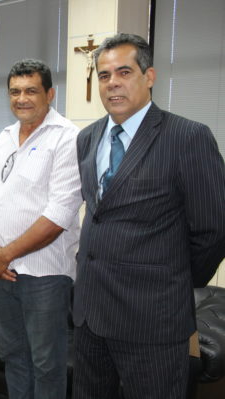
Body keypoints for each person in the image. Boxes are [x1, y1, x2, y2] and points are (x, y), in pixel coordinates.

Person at [73, 33, 225, 398]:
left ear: (149, 76)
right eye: (105, 75)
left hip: (152, 319)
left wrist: (172, 281)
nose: (113, 83)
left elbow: (214, 230)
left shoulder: (188, 136)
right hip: (91, 315)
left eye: (124, 72)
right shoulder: (88, 138)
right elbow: (100, 213)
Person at [0, 59, 81, 399]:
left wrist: (3, 255)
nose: (22, 98)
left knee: (47, 363)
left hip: (44, 275)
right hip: (2, 271)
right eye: (15, 92)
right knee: (13, 356)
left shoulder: (67, 137)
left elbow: (59, 213)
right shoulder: (4, 137)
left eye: (31, 91)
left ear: (49, 94)